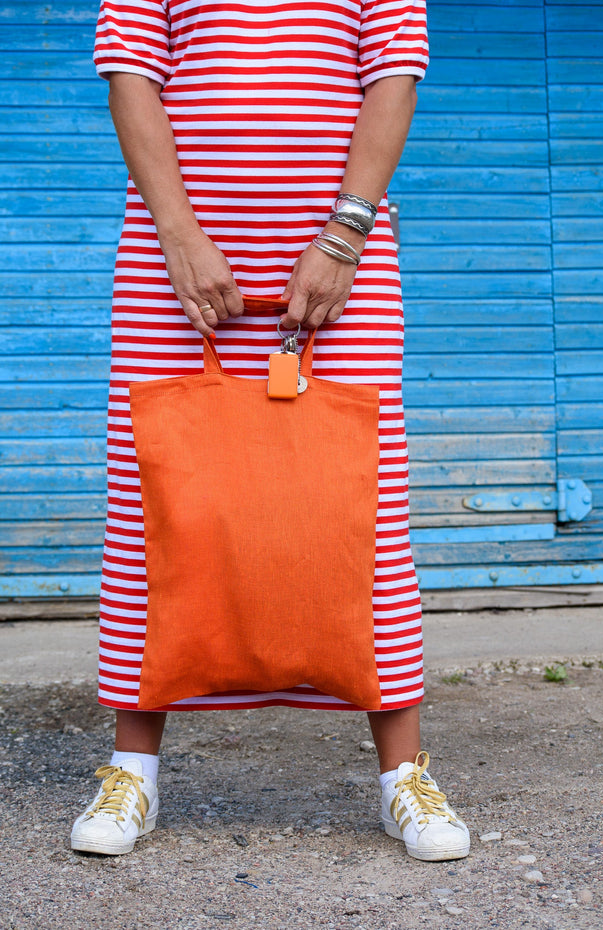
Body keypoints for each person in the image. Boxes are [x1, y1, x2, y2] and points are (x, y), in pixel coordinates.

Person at [71, 0, 470, 862]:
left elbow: (392, 76)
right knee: (160, 510)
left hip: (341, 260)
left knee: (356, 511)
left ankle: (405, 777)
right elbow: (132, 72)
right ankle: (130, 771)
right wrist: (177, 235)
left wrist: (344, 235)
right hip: (172, 262)